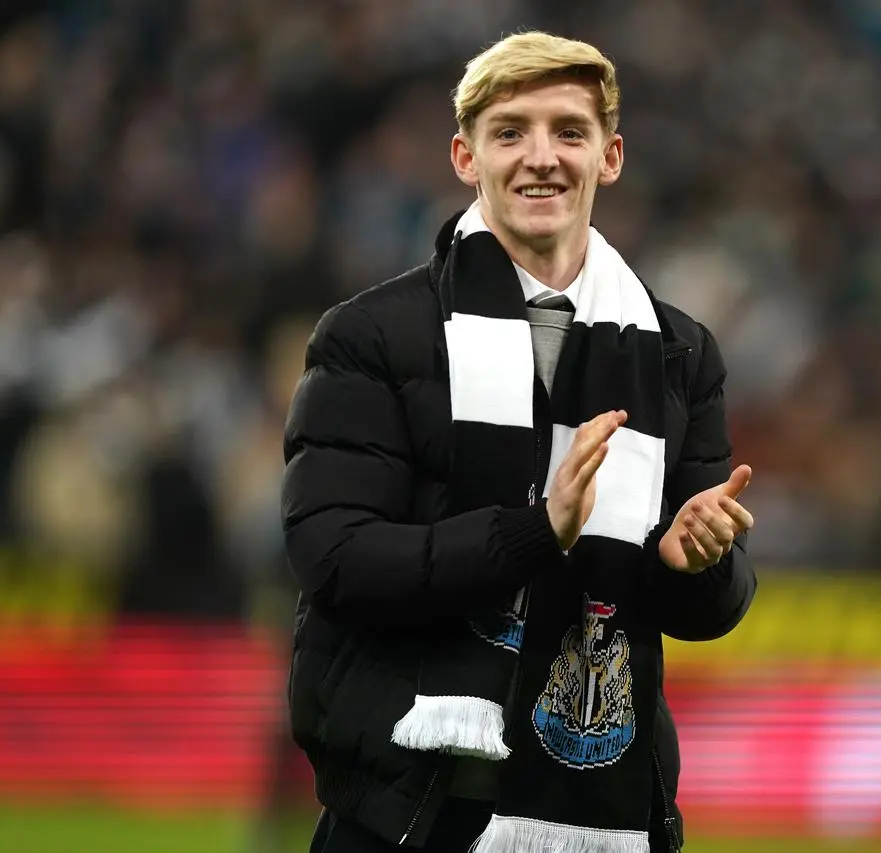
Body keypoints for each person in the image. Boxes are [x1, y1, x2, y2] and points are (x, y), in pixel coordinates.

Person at [282, 31, 757, 853]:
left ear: (608, 157)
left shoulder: (678, 354)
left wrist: (697, 565)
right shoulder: (373, 336)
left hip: (601, 809)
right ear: (466, 157)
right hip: (409, 810)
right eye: (511, 132)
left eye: (568, 131)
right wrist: (536, 534)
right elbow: (334, 558)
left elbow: (709, 606)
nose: (541, 156)